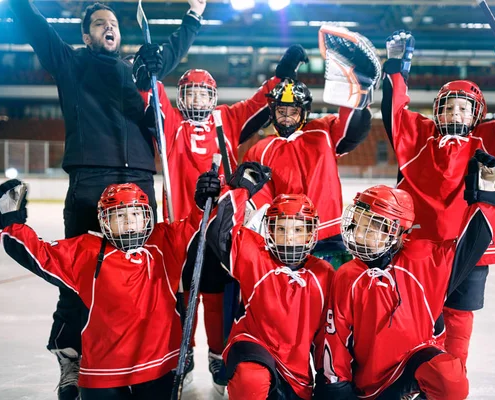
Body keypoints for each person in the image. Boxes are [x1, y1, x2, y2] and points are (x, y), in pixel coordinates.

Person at [8, 0, 205, 397]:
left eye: (112, 23)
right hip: (91, 180)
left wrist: (194, 16)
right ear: (86, 36)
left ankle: (160, 353)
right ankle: (71, 355)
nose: (107, 27)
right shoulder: (71, 64)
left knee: (151, 274)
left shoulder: (138, 70)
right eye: (99, 24)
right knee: (77, 276)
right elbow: (34, 27)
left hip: (139, 184)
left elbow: (168, 53)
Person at [137, 45, 308, 393]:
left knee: (217, 298)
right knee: (184, 298)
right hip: (178, 229)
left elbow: (261, 102)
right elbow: (150, 97)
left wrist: (282, 73)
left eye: (204, 92)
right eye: (191, 92)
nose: (198, 98)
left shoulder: (226, 120)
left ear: (213, 96)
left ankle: (218, 355)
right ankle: (182, 356)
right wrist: (145, 71)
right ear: (182, 96)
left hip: (218, 230)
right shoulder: (171, 124)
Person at [381, 30, 495, 367]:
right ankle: (418, 371)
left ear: (476, 114)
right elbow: (394, 111)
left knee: (459, 315)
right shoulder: (420, 137)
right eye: (448, 107)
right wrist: (399, 66)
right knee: (420, 312)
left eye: (463, 108)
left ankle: (450, 374)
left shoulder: (491, 138)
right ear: (438, 111)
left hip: (472, 248)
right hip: (422, 248)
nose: (455, 114)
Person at [0, 172, 222, 398]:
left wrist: (205, 202)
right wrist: (12, 223)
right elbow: (41, 254)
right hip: (103, 373)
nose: (130, 222)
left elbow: (197, 224)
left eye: (135, 214)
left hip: (158, 368)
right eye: (119, 215)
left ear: (147, 217)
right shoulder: (86, 251)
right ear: (105, 221)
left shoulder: (164, 242)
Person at [315, 150, 495, 400]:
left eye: (373, 225)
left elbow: (472, 242)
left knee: (450, 379)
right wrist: (337, 388)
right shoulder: (348, 275)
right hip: (370, 384)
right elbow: (335, 338)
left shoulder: (423, 259)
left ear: (397, 232)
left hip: (415, 363)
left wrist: (486, 197)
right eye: (359, 223)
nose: (361, 233)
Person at [204, 174, 334, 400]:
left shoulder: (324, 273)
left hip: (296, 370)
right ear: (269, 231)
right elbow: (221, 233)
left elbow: (327, 333)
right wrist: (240, 188)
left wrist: (330, 379)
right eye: (281, 229)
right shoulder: (256, 256)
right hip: (252, 347)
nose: (289, 238)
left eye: (297, 230)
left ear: (311, 233)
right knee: (251, 378)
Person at [243, 77, 373, 270]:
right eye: (281, 111)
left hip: (328, 236)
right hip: (288, 240)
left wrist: (357, 88)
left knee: (329, 296)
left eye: (293, 112)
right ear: (273, 112)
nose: (287, 117)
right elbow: (259, 200)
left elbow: (351, 129)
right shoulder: (259, 150)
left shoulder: (323, 131)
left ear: (304, 112)